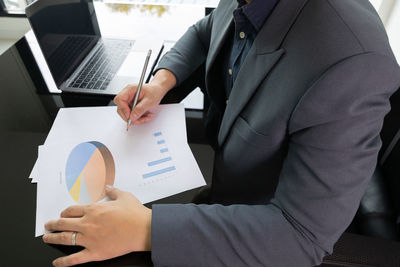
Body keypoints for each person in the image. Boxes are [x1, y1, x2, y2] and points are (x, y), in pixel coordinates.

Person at [42, 0, 400, 266]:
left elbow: (300, 234)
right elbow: (208, 28)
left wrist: (146, 230)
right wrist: (163, 81)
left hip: (258, 217)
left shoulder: (354, 62)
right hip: (218, 171)